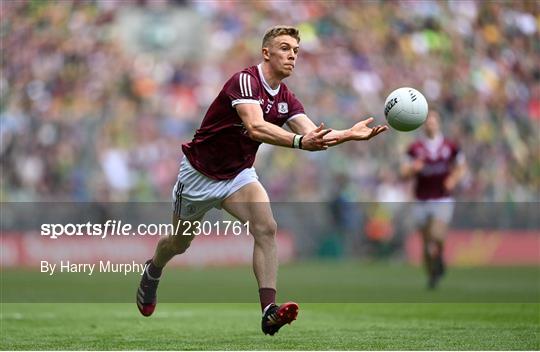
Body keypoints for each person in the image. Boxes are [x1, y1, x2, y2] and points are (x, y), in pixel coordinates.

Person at [136, 25, 388, 335]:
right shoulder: (245, 80)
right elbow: (256, 127)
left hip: (238, 175)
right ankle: (153, 269)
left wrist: (348, 134)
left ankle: (269, 311)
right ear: (266, 52)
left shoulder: (285, 98)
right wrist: (299, 143)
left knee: (266, 227)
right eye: (284, 48)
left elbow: (311, 134)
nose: (292, 55)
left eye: (295, 50)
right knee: (179, 243)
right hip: (200, 175)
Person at [401, 110, 466, 289]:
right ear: (423, 125)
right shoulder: (414, 148)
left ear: (439, 123)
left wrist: (453, 179)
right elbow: (404, 173)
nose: (430, 124)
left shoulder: (450, 146)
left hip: (442, 198)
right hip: (421, 199)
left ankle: (439, 257)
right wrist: (414, 168)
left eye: (433, 121)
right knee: (426, 244)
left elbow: (461, 167)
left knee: (436, 236)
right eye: (427, 122)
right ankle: (432, 275)